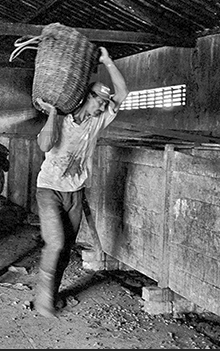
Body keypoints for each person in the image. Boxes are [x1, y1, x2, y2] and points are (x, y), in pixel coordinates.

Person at [33, 47, 129, 318]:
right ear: (88, 96)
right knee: (56, 243)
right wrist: (52, 113)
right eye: (100, 100)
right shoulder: (62, 119)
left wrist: (108, 61)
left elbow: (122, 93)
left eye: (104, 102)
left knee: (65, 250)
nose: (103, 106)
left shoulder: (97, 121)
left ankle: (51, 296)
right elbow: (44, 143)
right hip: (49, 188)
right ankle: (42, 303)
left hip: (75, 191)